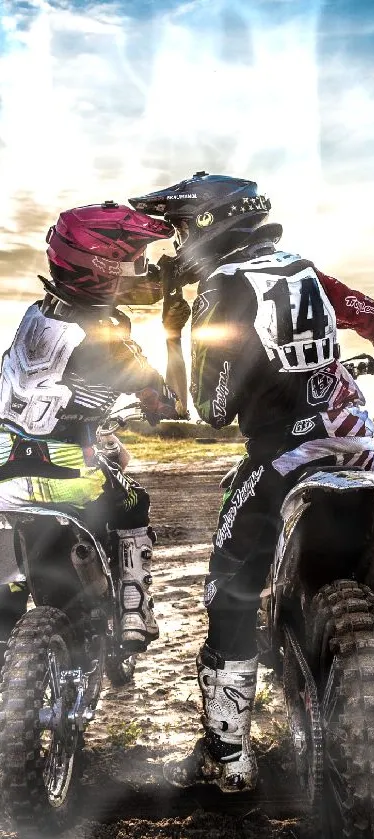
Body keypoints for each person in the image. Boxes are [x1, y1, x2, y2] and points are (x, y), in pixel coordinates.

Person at [129, 172, 374, 792]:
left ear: (205, 225)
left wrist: (174, 334)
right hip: (365, 455)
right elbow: (364, 312)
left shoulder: (222, 288)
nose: (175, 246)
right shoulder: (301, 269)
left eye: (177, 229)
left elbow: (212, 407)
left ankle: (229, 760)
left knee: (228, 593)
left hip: (283, 463)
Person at [0, 200, 190, 662]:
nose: (139, 270)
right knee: (133, 501)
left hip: (7, 464)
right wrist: (170, 335)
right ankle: (133, 611)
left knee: (8, 571)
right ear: (104, 268)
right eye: (133, 261)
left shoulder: (37, 316)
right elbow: (172, 404)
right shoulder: (113, 347)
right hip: (66, 474)